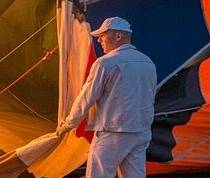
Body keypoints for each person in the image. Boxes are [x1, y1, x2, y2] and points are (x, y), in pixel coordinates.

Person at [57, 16, 157, 178]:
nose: (99, 41)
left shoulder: (105, 63)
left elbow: (86, 98)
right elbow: (150, 96)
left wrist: (69, 123)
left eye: (103, 36)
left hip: (113, 131)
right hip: (140, 131)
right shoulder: (148, 62)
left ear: (118, 36)